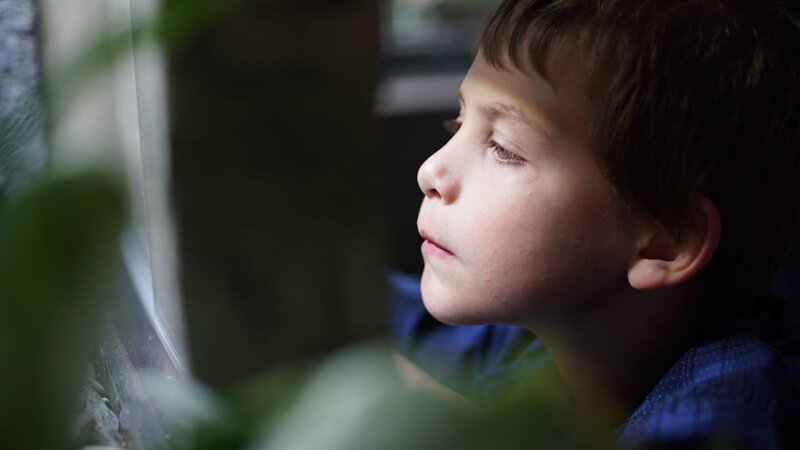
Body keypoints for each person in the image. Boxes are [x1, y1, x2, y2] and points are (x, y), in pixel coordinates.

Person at [391, 0, 800, 448]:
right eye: (459, 122)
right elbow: (397, 311)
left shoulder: (728, 408)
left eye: (504, 148)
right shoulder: (552, 337)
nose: (430, 171)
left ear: (664, 240)